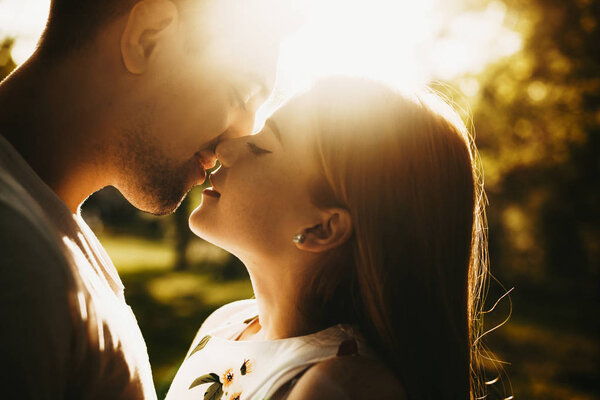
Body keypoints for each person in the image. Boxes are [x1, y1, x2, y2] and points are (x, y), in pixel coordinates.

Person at [0, 0, 294, 398]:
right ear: (148, 37)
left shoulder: (46, 229)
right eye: (240, 94)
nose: (240, 139)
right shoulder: (16, 258)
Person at [165, 77, 489, 400]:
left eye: (258, 147)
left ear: (323, 229)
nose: (224, 148)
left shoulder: (343, 386)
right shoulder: (225, 323)